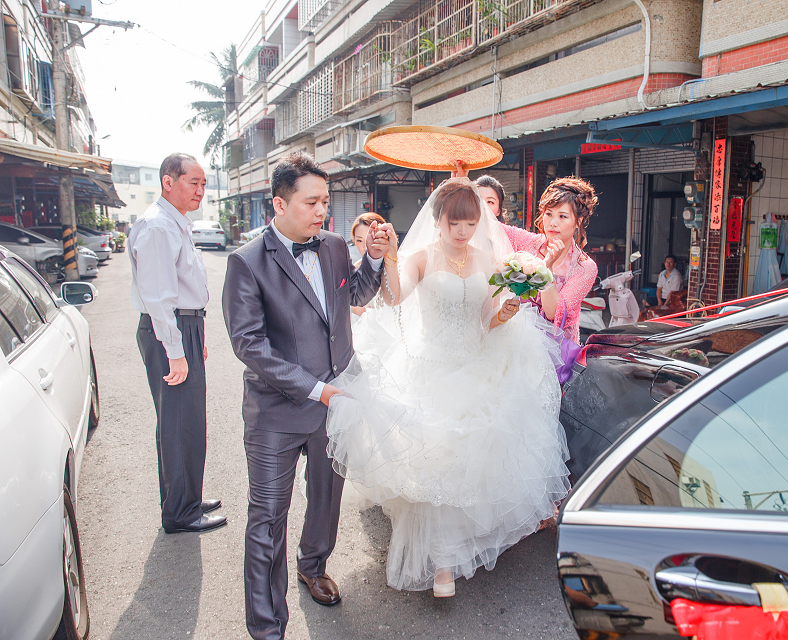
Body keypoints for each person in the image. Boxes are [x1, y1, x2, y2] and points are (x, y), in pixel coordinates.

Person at [324, 178, 570, 598]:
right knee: (435, 460)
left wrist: (506, 311)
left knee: (472, 463)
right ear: (437, 220)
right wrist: (393, 259)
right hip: (432, 366)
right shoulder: (422, 256)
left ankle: (457, 551)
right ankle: (442, 563)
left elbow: (487, 318)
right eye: (455, 222)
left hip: (478, 363)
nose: (462, 230)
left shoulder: (488, 259)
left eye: (470, 222)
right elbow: (396, 298)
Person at [222, 152, 388, 640]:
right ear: (279, 203)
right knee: (266, 520)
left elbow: (355, 296)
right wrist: (318, 391)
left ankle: (313, 566)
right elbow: (248, 345)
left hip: (336, 403)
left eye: (326, 201)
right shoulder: (246, 262)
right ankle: (268, 627)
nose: (322, 211)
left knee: (326, 498)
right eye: (311, 202)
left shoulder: (335, 246)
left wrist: (373, 258)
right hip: (277, 411)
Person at [128, 152, 225, 535]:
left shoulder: (175, 223)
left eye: (204, 184)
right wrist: (175, 349)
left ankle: (184, 497)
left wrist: (193, 338)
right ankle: (180, 512)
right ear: (168, 182)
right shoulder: (157, 227)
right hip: (168, 328)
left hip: (184, 328)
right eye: (193, 182)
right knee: (180, 422)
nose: (201, 190)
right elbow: (159, 298)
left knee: (183, 420)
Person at [500, 178, 599, 344]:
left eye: (563, 216)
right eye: (548, 214)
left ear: (578, 221)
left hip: (556, 348)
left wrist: (547, 267)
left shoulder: (584, 267)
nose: (553, 223)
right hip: (517, 340)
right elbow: (491, 227)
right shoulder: (528, 242)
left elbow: (553, 313)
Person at [350, 212, 386, 316]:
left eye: (370, 238)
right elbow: (359, 312)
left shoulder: (397, 264)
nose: (365, 246)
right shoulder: (354, 270)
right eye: (359, 240)